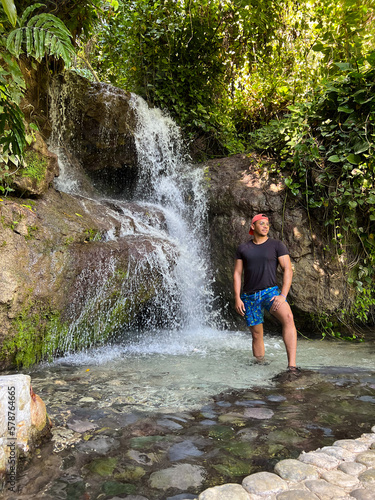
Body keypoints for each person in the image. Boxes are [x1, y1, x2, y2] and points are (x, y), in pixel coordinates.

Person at [233, 213, 298, 371]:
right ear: (253, 226)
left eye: (267, 224)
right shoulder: (243, 248)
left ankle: (292, 366)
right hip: (249, 297)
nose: (265, 226)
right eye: (261, 223)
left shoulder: (277, 245)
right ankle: (260, 367)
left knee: (288, 318)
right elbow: (237, 274)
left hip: (271, 293)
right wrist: (237, 298)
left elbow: (288, 269)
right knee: (256, 334)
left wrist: (283, 295)